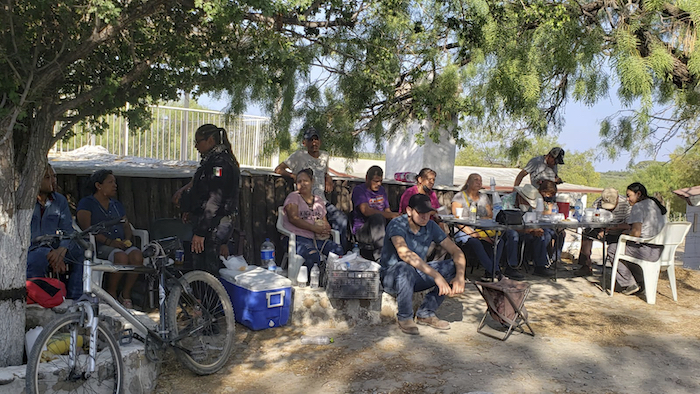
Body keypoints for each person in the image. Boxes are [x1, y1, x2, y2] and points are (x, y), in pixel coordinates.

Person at [380, 194, 466, 335]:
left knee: (453, 265)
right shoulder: (397, 224)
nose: (425, 217)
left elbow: (456, 251)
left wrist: (460, 277)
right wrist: (436, 275)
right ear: (409, 211)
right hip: (391, 277)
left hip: (415, 274)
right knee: (404, 266)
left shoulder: (431, 226)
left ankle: (426, 313)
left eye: (427, 213)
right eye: (420, 213)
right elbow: (405, 254)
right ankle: (405, 317)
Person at [178, 124, 240, 275]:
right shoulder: (211, 161)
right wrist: (191, 209)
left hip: (214, 224)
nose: (196, 146)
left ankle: (208, 297)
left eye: (198, 142)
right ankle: (200, 297)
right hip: (207, 221)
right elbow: (201, 190)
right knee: (198, 266)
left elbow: (215, 198)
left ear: (211, 140)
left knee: (207, 269)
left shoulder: (220, 163)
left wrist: (201, 232)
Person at [77, 169, 144, 308]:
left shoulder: (116, 205)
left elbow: (126, 226)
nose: (115, 185)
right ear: (98, 185)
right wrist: (109, 242)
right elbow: (86, 229)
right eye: (110, 182)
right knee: (121, 258)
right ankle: (111, 294)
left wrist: (127, 240)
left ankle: (125, 294)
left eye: (115, 182)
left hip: (119, 243)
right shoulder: (87, 203)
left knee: (137, 256)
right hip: (100, 246)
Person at [275, 127, 348, 249]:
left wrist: (328, 177)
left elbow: (324, 172)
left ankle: (339, 252)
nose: (314, 143)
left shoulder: (324, 156)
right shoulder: (298, 155)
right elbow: (278, 169)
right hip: (304, 201)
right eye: (310, 140)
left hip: (321, 201)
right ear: (305, 143)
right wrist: (293, 176)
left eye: (316, 139)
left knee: (342, 220)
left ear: (320, 141)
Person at [27, 164, 84, 300]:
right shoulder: (26, 202)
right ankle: (36, 299)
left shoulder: (60, 200)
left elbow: (67, 230)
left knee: (81, 252)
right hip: (32, 248)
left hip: (55, 246)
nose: (53, 180)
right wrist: (51, 253)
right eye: (47, 177)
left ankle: (75, 299)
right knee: (37, 259)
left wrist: (62, 250)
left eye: (54, 176)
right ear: (35, 180)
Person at [451, 174, 516, 279]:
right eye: (476, 180)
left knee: (499, 241)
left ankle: (490, 273)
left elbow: (490, 216)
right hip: (464, 230)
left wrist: (482, 231)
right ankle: (495, 272)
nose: (479, 182)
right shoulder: (459, 197)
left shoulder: (484, 197)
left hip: (483, 229)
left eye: (480, 180)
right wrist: (475, 233)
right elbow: (457, 220)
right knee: (475, 242)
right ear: (468, 182)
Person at [283, 168, 344, 280]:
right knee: (312, 254)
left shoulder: (318, 200)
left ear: (312, 181)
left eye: (305, 181)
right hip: (297, 238)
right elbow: (293, 218)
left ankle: (334, 281)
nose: (302, 184)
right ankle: (312, 282)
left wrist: (325, 228)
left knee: (337, 250)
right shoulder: (293, 197)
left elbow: (324, 220)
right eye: (299, 182)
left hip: (318, 239)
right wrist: (314, 228)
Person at [610, 182, 667, 295]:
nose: (627, 199)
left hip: (647, 250)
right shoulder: (656, 205)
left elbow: (636, 233)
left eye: (629, 195)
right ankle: (640, 281)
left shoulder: (638, 206)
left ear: (638, 194)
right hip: (661, 249)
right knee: (627, 249)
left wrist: (624, 235)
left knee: (613, 248)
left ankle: (629, 283)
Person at [499, 184, 555, 277]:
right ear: (520, 196)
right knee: (513, 235)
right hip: (506, 229)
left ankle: (540, 266)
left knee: (540, 235)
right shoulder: (506, 201)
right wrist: (529, 230)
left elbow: (530, 220)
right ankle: (511, 267)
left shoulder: (529, 204)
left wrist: (535, 229)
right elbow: (505, 223)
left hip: (524, 229)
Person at [576, 188, 631, 276]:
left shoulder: (626, 204)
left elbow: (629, 224)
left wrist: (613, 227)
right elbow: (592, 219)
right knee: (587, 232)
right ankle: (585, 265)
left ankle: (620, 272)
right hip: (603, 229)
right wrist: (601, 228)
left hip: (619, 232)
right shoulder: (598, 202)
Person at [351, 166, 400, 260]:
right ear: (367, 179)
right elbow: (366, 211)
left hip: (380, 227)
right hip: (363, 230)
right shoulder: (359, 190)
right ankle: (380, 257)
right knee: (377, 217)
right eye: (375, 181)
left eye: (380, 181)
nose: (378, 184)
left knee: (397, 222)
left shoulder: (381, 190)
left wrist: (396, 217)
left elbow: (387, 210)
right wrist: (388, 215)